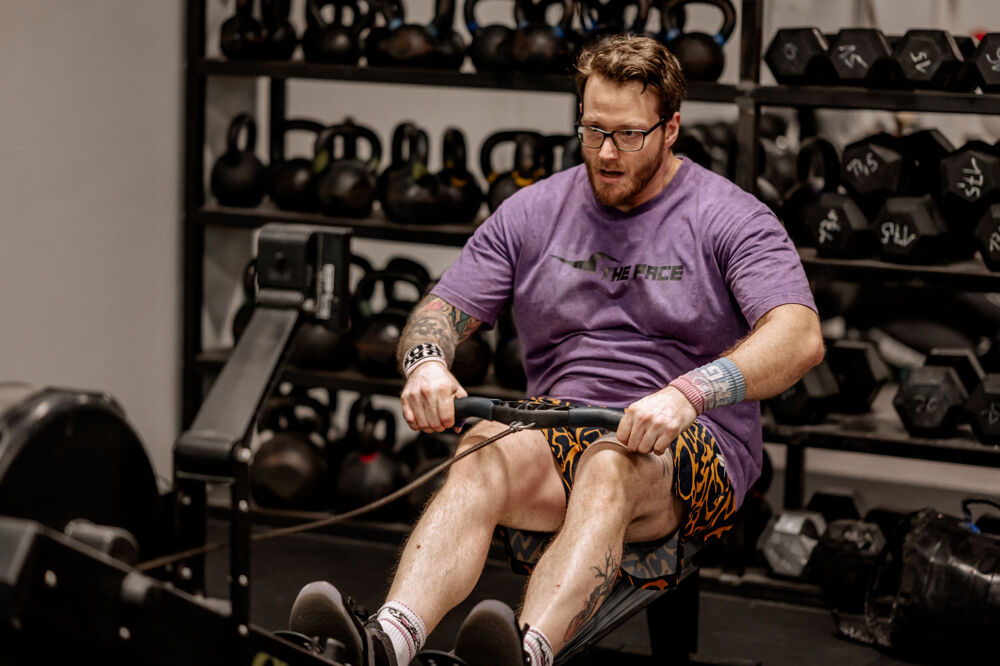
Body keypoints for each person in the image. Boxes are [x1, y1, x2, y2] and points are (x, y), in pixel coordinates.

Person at [289, 34, 824, 666]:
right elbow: (439, 311)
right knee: (481, 445)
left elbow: (799, 336)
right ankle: (389, 642)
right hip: (562, 424)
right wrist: (426, 362)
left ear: (670, 129)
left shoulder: (731, 217)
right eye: (593, 130)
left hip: (690, 441)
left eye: (629, 134)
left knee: (609, 463)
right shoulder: (534, 211)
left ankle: (528, 654)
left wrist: (689, 394)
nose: (606, 152)